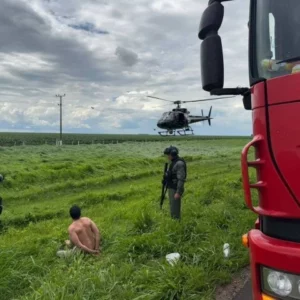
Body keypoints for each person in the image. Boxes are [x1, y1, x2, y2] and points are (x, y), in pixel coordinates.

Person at [163, 146, 187, 220]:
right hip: (171, 187)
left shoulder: (179, 163)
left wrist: (178, 192)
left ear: (172, 154)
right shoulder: (174, 162)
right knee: (172, 206)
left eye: (168, 155)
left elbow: (181, 179)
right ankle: (173, 221)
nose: (168, 157)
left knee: (175, 208)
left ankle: (176, 224)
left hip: (175, 188)